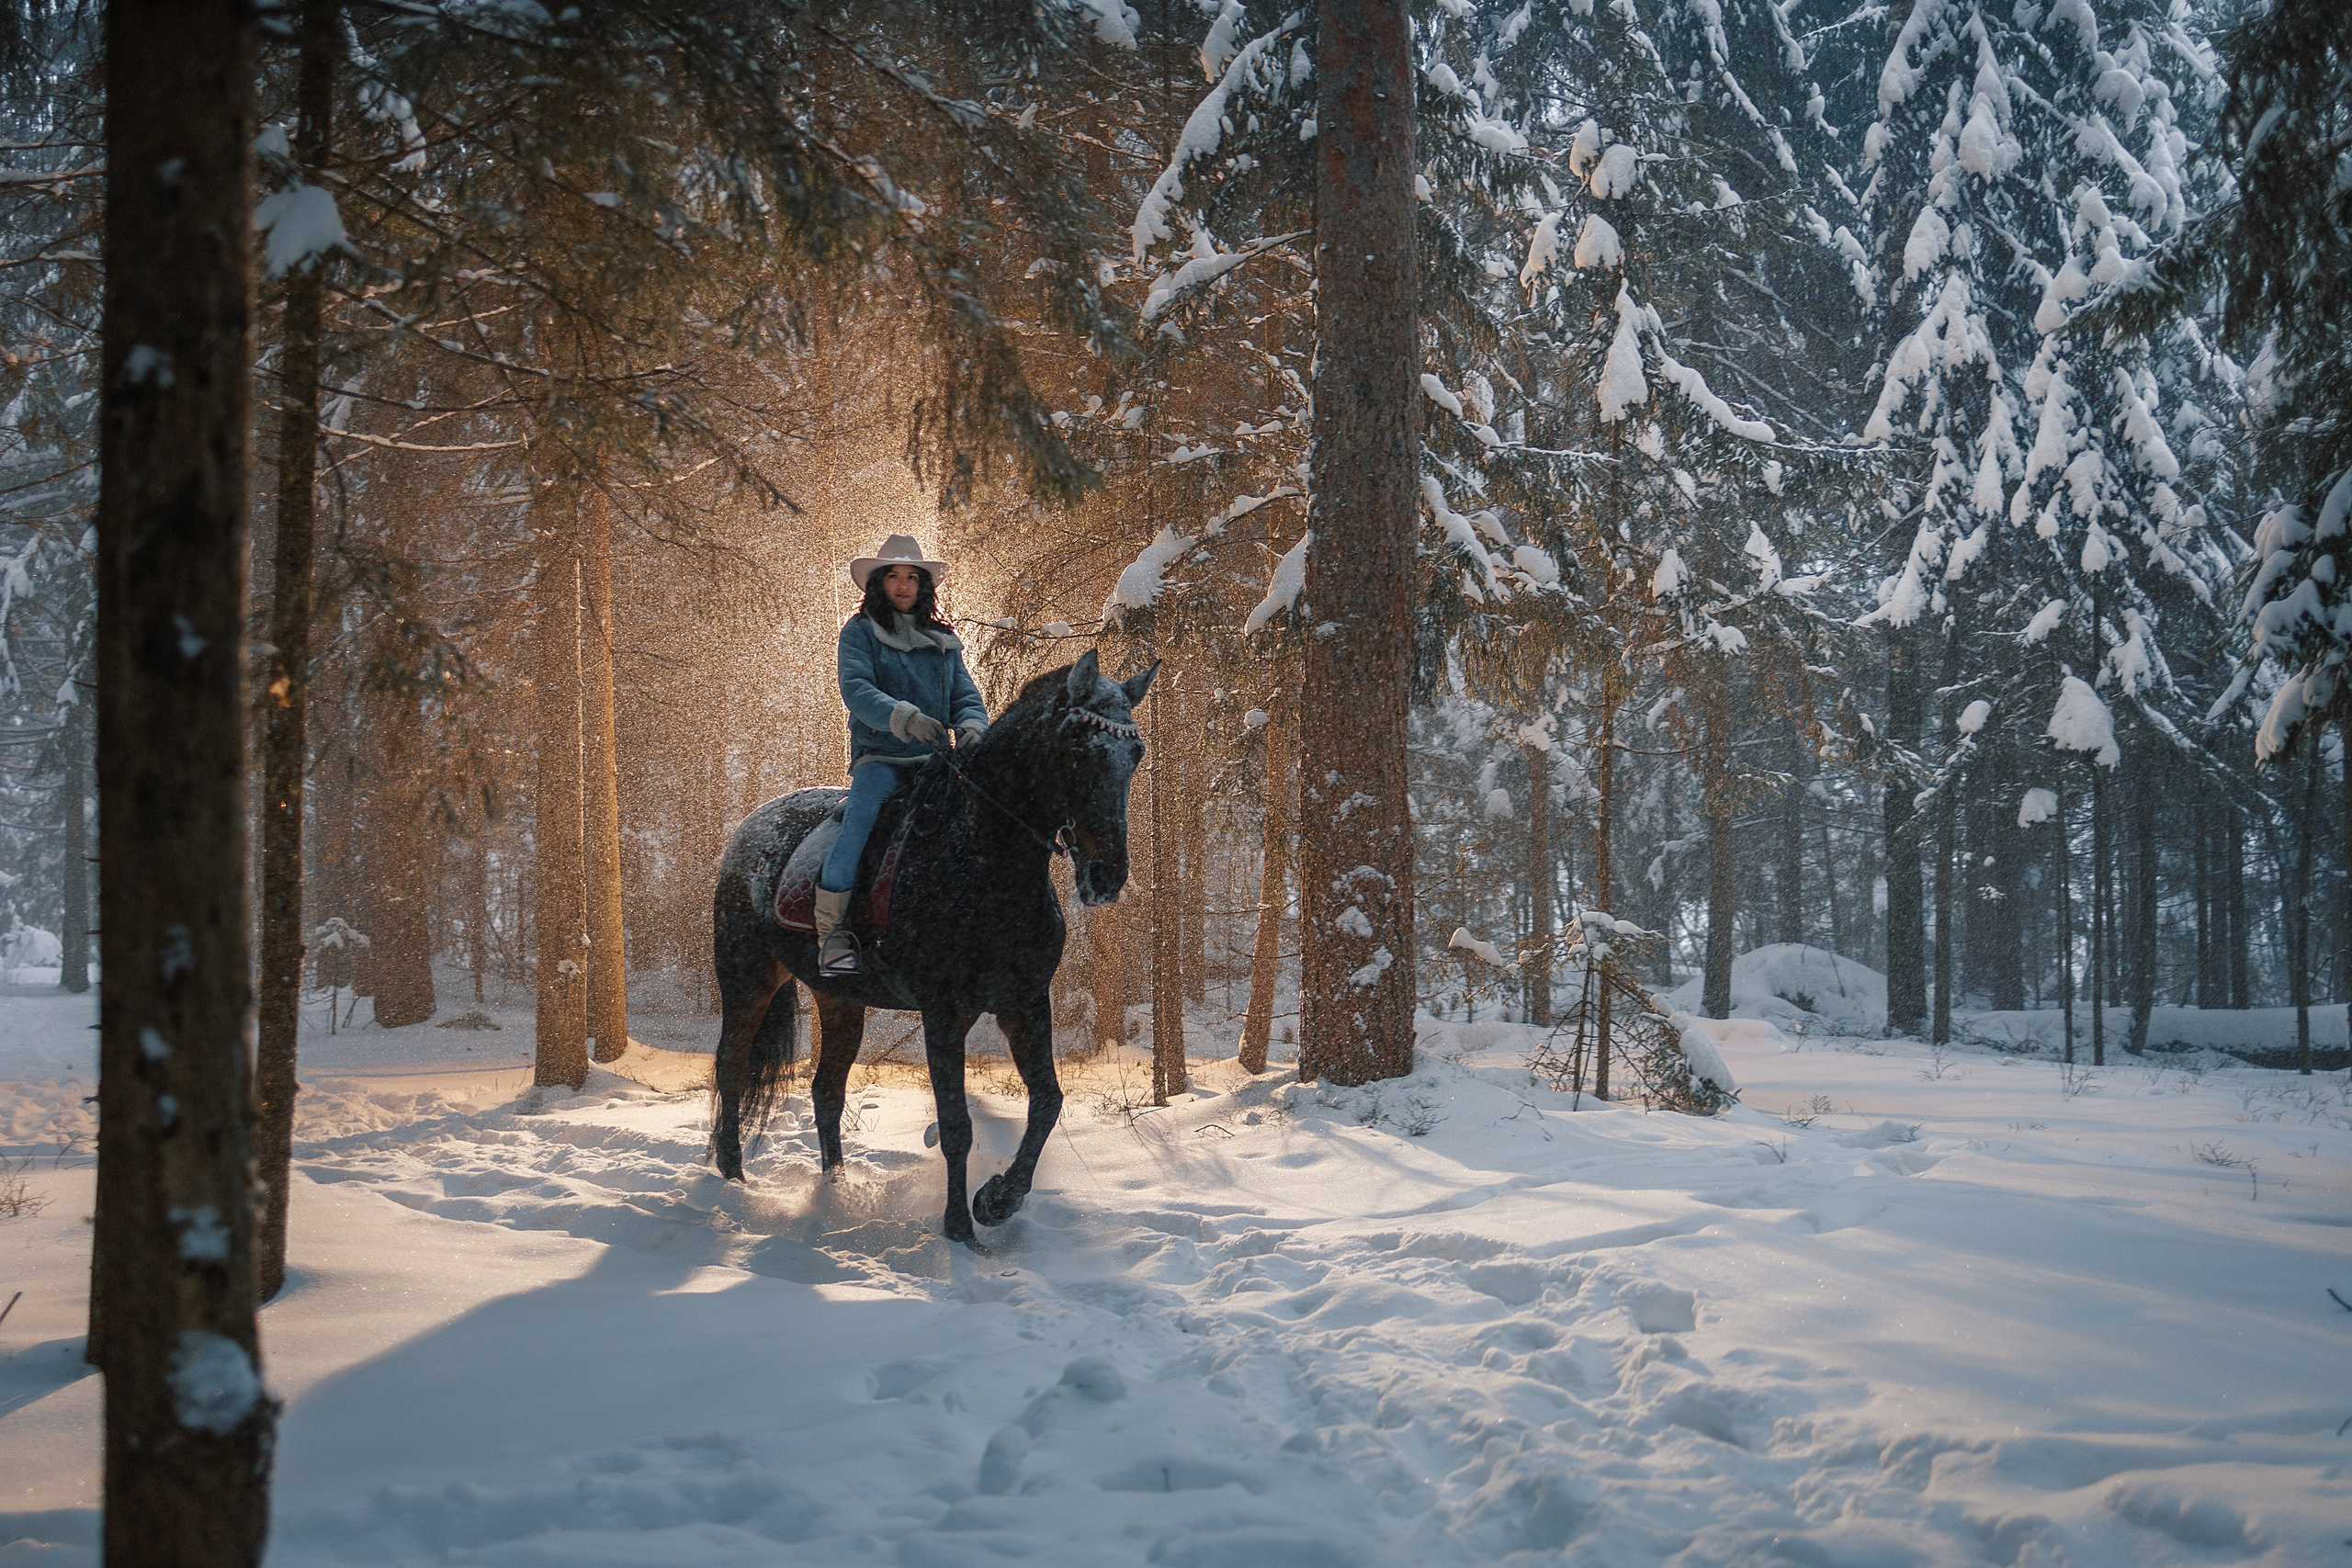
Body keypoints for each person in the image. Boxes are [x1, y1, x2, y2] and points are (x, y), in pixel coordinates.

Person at [814, 534, 989, 976]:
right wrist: (906, 718)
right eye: (894, 575)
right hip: (882, 759)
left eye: (912, 576)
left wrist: (971, 727)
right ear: (879, 582)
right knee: (860, 822)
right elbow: (856, 690)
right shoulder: (859, 632)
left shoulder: (944, 640)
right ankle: (831, 935)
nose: (904, 584)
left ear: (924, 585)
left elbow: (966, 697)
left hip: (938, 763)